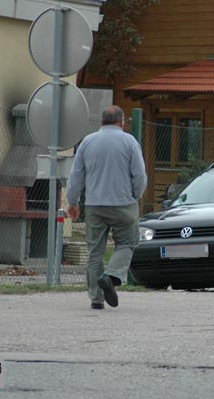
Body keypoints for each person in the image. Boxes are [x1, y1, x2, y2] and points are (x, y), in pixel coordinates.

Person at [66, 105, 147, 310]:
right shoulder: (129, 142)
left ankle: (96, 298)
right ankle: (111, 276)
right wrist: (136, 195)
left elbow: (76, 175)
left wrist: (73, 202)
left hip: (94, 204)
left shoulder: (87, 141)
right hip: (123, 203)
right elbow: (139, 175)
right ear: (122, 122)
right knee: (127, 243)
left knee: (95, 252)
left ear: (101, 122)